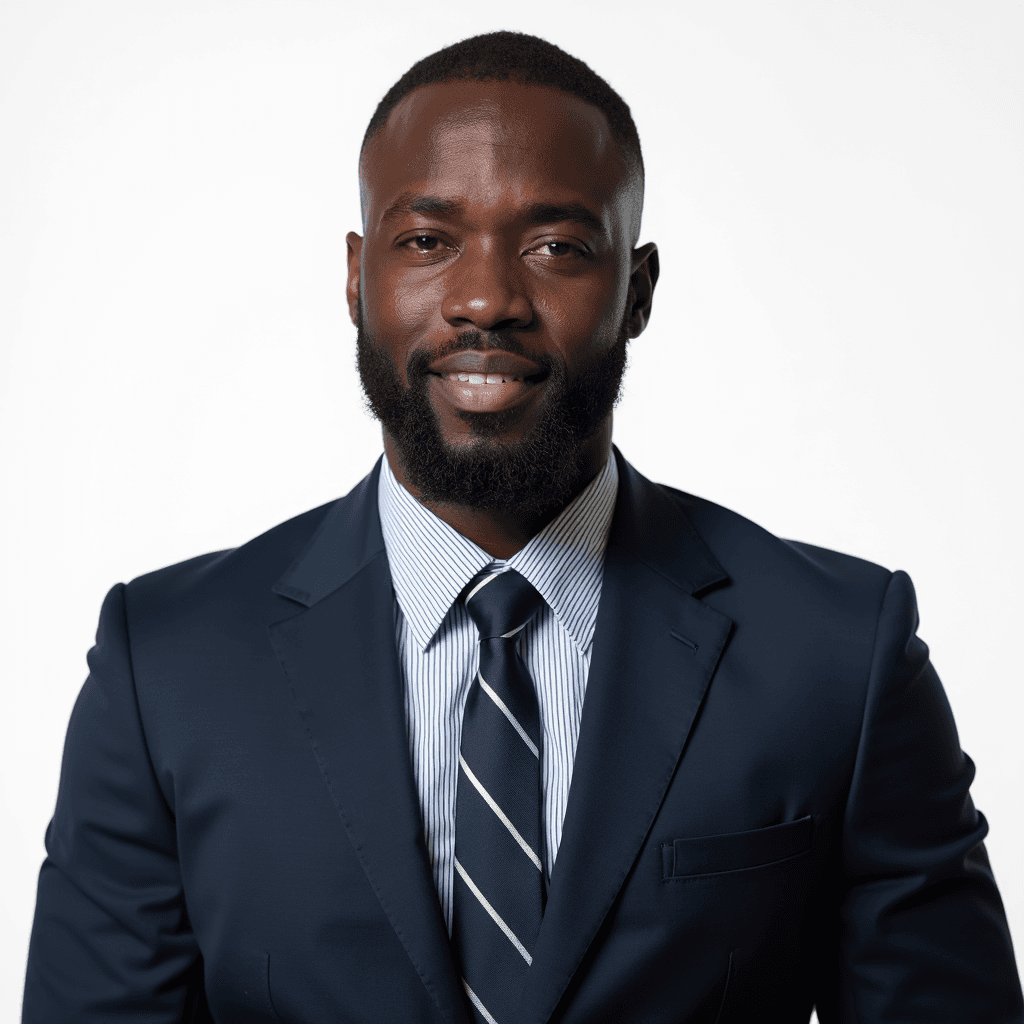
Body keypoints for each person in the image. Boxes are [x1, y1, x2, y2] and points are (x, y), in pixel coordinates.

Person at [22, 29, 1022, 1024]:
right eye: (427, 240)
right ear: (355, 277)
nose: (485, 298)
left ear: (636, 291)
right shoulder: (167, 670)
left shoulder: (838, 655)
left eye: (554, 246)